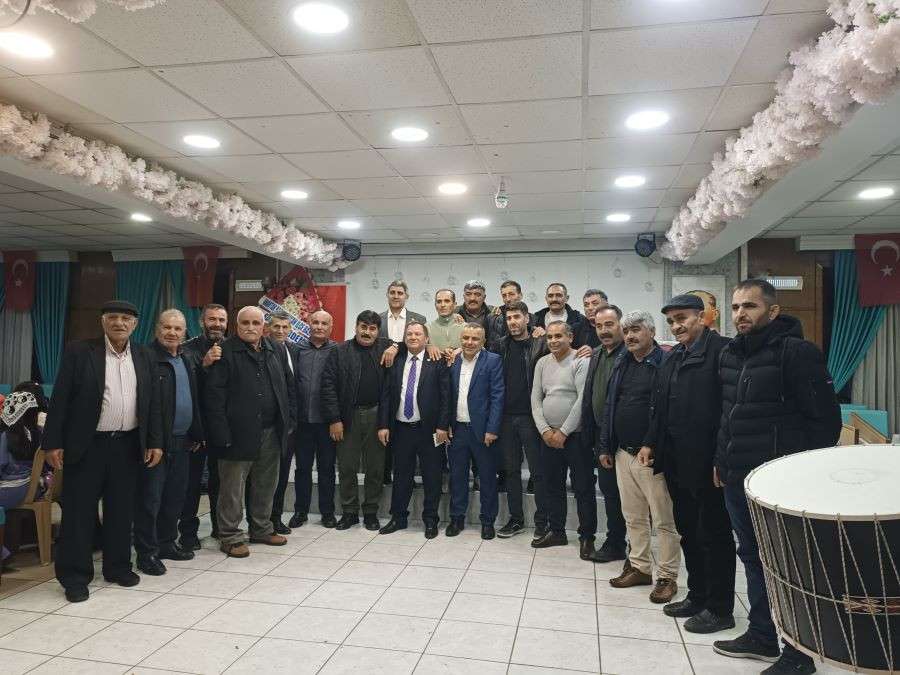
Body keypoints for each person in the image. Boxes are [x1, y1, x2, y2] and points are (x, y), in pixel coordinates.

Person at [712, 279, 841, 675]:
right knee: (752, 557)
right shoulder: (732, 354)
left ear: (773, 311)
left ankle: (799, 655)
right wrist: (721, 461)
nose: (740, 314)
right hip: (738, 478)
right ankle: (762, 634)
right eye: (736, 307)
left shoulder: (797, 353)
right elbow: (727, 415)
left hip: (778, 483)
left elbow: (825, 423)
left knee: (788, 566)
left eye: (749, 306)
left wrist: (798, 475)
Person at [43, 300, 162, 603]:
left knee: (121, 511)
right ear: (103, 321)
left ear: (135, 324)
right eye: (113, 317)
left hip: (128, 445)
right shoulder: (80, 352)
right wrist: (52, 443)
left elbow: (152, 403)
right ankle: (75, 576)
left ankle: (118, 567)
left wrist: (155, 441)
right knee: (79, 513)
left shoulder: (145, 355)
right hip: (87, 446)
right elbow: (60, 398)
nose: (119, 323)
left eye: (125, 319)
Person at [640, 295, 736, 633]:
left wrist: (722, 458)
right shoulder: (674, 356)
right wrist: (650, 442)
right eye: (671, 321)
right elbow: (660, 406)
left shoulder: (724, 351)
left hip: (709, 464)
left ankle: (720, 609)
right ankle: (697, 596)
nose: (676, 326)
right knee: (689, 533)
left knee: (714, 535)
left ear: (702, 317)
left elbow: (730, 411)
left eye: (682, 318)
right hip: (677, 461)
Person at [599, 311, 680, 605]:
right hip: (623, 452)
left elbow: (667, 410)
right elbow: (611, 405)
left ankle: (667, 576)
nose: (630, 336)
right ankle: (640, 567)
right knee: (633, 516)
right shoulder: (623, 362)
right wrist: (606, 446)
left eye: (636, 330)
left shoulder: (666, 362)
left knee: (663, 520)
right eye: (627, 331)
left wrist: (650, 443)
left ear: (652, 332)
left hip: (651, 457)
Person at [204, 306, 295, 558]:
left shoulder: (275, 349)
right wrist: (221, 434)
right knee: (232, 489)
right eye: (245, 323)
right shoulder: (225, 351)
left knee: (266, 484)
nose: (251, 327)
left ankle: (261, 529)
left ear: (263, 326)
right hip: (236, 433)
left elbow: (289, 386)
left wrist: (289, 421)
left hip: (271, 431)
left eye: (256, 323)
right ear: (237, 325)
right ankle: (230, 536)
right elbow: (214, 397)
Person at [134, 309, 205, 576]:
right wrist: (151, 441)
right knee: (150, 500)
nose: (172, 333)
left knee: (174, 498)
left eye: (177, 328)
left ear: (185, 332)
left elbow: (192, 398)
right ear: (157, 329)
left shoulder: (186, 358)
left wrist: (196, 433)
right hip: (156, 445)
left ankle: (166, 544)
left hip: (183, 442)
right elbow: (144, 405)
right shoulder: (145, 358)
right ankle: (146, 553)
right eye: (167, 327)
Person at [321, 310, 394, 532]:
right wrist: (334, 419)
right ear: (356, 327)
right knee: (347, 466)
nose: (367, 332)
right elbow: (328, 386)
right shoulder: (339, 351)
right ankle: (350, 512)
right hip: (347, 416)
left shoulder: (385, 347)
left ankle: (371, 512)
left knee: (375, 467)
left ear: (378, 331)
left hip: (376, 415)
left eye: (372, 328)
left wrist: (395, 347)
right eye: (363, 327)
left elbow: (408, 343)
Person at [530, 321, 596, 560]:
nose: (553, 341)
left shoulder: (581, 360)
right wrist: (545, 431)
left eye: (559, 336)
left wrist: (564, 432)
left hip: (575, 437)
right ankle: (557, 531)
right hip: (548, 437)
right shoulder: (542, 362)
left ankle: (587, 536)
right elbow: (536, 400)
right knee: (552, 486)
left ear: (570, 337)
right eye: (549, 337)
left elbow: (582, 400)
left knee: (583, 488)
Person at [377, 322, 450, 539]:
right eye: (409, 334)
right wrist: (383, 425)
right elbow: (386, 395)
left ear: (427, 339)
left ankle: (431, 520)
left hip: (430, 430)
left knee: (432, 476)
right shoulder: (396, 360)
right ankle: (398, 518)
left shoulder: (437, 360)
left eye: (418, 334)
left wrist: (442, 426)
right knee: (401, 476)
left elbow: (446, 397)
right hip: (401, 430)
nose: (413, 337)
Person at [488, 300, 549, 539]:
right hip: (505, 418)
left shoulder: (540, 344)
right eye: (509, 318)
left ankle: (542, 521)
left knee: (538, 472)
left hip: (532, 418)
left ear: (527, 318)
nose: (512, 322)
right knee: (511, 471)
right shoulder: (498, 345)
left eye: (516, 317)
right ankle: (516, 519)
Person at [445, 323, 504, 540]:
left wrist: (492, 429)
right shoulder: (452, 360)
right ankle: (457, 518)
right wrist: (446, 423)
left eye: (475, 339)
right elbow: (446, 395)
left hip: (483, 431)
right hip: (457, 430)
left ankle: (487, 521)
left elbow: (498, 396)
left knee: (487, 478)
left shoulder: (493, 361)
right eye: (466, 338)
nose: (469, 342)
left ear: (483, 341)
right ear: (460, 339)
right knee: (457, 477)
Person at [581, 305, 627, 564]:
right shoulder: (597, 354)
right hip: (601, 436)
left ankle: (631, 545)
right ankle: (615, 542)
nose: (604, 331)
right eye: (599, 326)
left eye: (609, 324)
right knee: (610, 493)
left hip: (625, 438)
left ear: (621, 324)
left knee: (630, 497)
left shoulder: (630, 354)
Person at [179, 302, 228, 549]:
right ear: (202, 322)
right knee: (191, 484)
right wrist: (204, 365)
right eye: (212, 319)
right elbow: (185, 389)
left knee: (221, 481)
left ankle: (221, 528)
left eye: (221, 320)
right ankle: (188, 532)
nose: (216, 324)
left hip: (222, 429)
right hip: (195, 430)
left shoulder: (232, 348)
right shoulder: (186, 350)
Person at [287, 310, 338, 529]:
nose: (319, 326)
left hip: (327, 422)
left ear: (331, 327)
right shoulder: (296, 349)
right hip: (302, 422)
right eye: (315, 322)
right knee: (302, 469)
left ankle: (327, 512)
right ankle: (301, 511)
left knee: (327, 469)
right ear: (308, 324)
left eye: (324, 323)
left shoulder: (337, 350)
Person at [0, 384, 50, 566]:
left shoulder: (7, 435)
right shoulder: (39, 432)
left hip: (17, 487)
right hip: (36, 485)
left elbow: (1, 465)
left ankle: (3, 554)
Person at [266, 311, 301, 535]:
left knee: (282, 474)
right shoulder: (262, 350)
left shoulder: (294, 350)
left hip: (289, 426)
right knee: (265, 477)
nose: (280, 331)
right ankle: (262, 520)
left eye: (285, 327)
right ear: (268, 328)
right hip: (269, 426)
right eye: (276, 326)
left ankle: (275, 517)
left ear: (290, 329)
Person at [428, 289, 464, 353]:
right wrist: (427, 346)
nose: (442, 305)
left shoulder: (466, 328)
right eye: (439, 302)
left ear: (454, 305)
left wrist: (462, 349)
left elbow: (478, 349)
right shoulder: (427, 328)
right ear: (435, 305)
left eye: (447, 301)